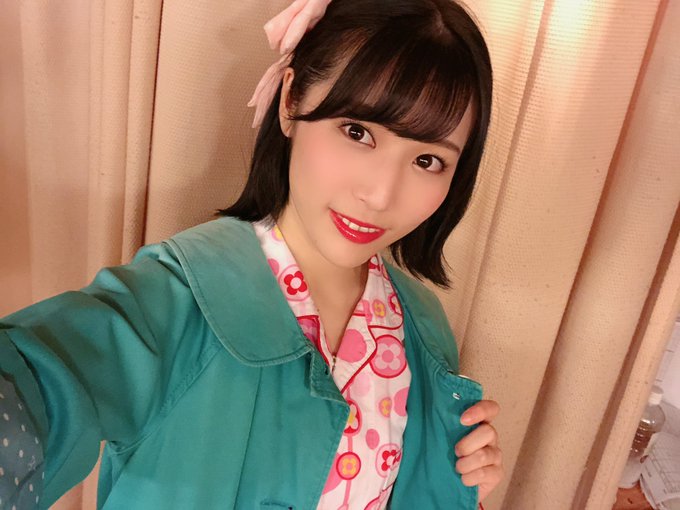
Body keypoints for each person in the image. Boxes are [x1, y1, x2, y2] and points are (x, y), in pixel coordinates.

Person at [0, 0, 504, 508]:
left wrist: (456, 483)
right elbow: (45, 381)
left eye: (427, 160)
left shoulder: (422, 327)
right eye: (358, 132)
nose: (380, 194)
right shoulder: (177, 297)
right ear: (290, 101)